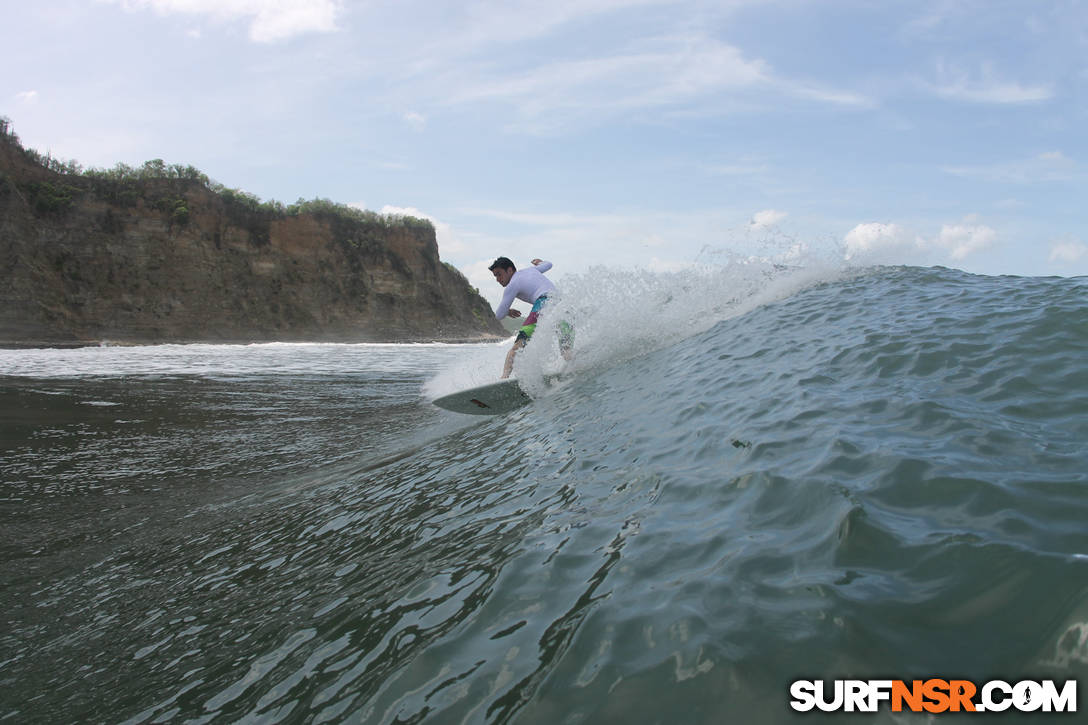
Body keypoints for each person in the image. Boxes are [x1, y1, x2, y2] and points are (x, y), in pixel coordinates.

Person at [489, 256, 573, 378]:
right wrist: (540, 263)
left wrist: (507, 312)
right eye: (495, 276)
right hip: (562, 306)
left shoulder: (512, 284)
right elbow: (549, 264)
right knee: (566, 350)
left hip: (544, 304)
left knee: (517, 347)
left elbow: (499, 315)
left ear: (510, 270)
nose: (497, 279)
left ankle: (504, 378)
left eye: (499, 274)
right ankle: (574, 368)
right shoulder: (531, 270)